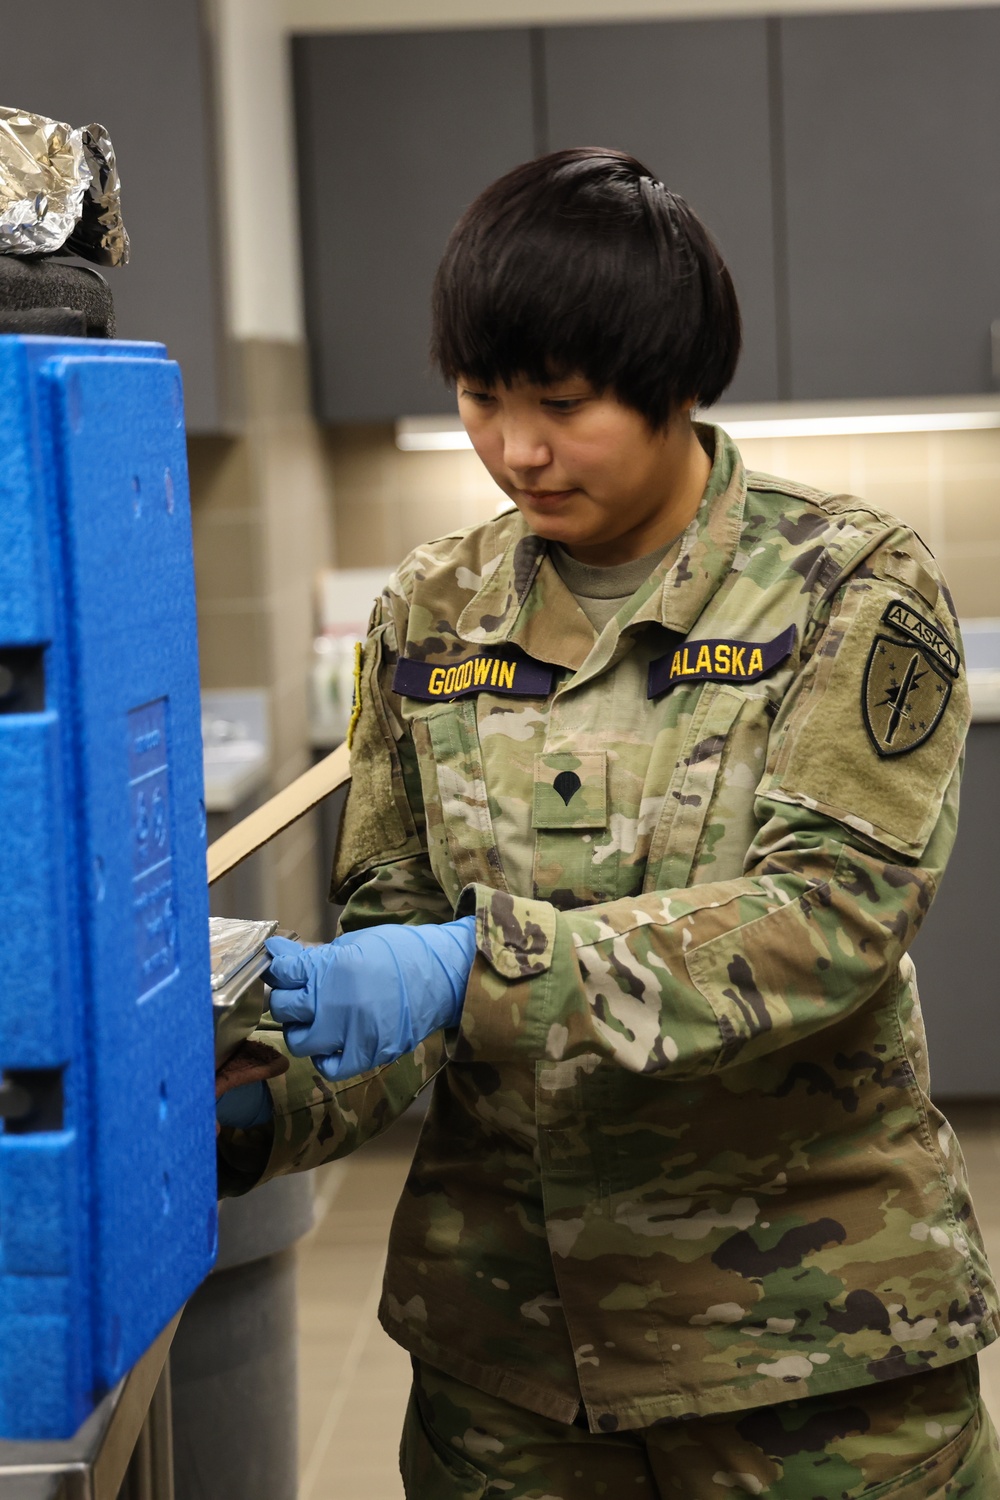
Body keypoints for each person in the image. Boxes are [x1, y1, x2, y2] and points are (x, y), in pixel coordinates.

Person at [217, 148, 1000, 1496]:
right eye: (480, 399)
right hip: (508, 1374)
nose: (516, 449)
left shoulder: (845, 583)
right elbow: (393, 955)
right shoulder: (431, 614)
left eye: (563, 405)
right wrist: (238, 1111)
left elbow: (828, 918)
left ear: (675, 383)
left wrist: (476, 968)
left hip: (809, 1364)